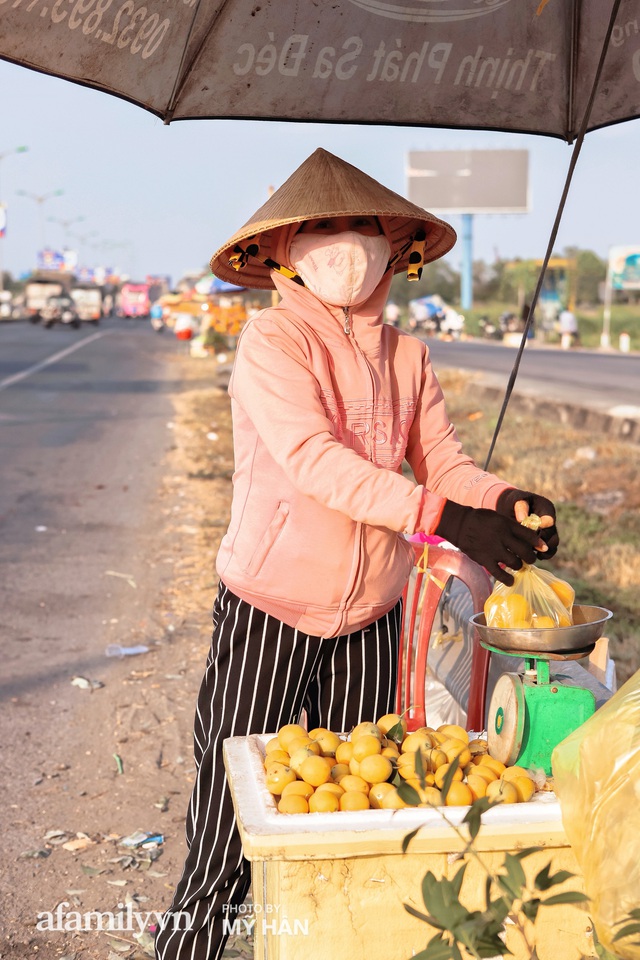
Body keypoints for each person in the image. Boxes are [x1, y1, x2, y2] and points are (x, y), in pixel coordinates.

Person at [154, 148, 559, 960]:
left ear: (394, 246)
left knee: (362, 815)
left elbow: (442, 463)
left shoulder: (409, 355)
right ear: (281, 251)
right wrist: (441, 514)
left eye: (360, 225)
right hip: (269, 608)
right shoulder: (273, 342)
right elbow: (314, 462)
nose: (344, 243)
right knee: (230, 820)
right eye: (322, 227)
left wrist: (502, 502)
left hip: (374, 616)